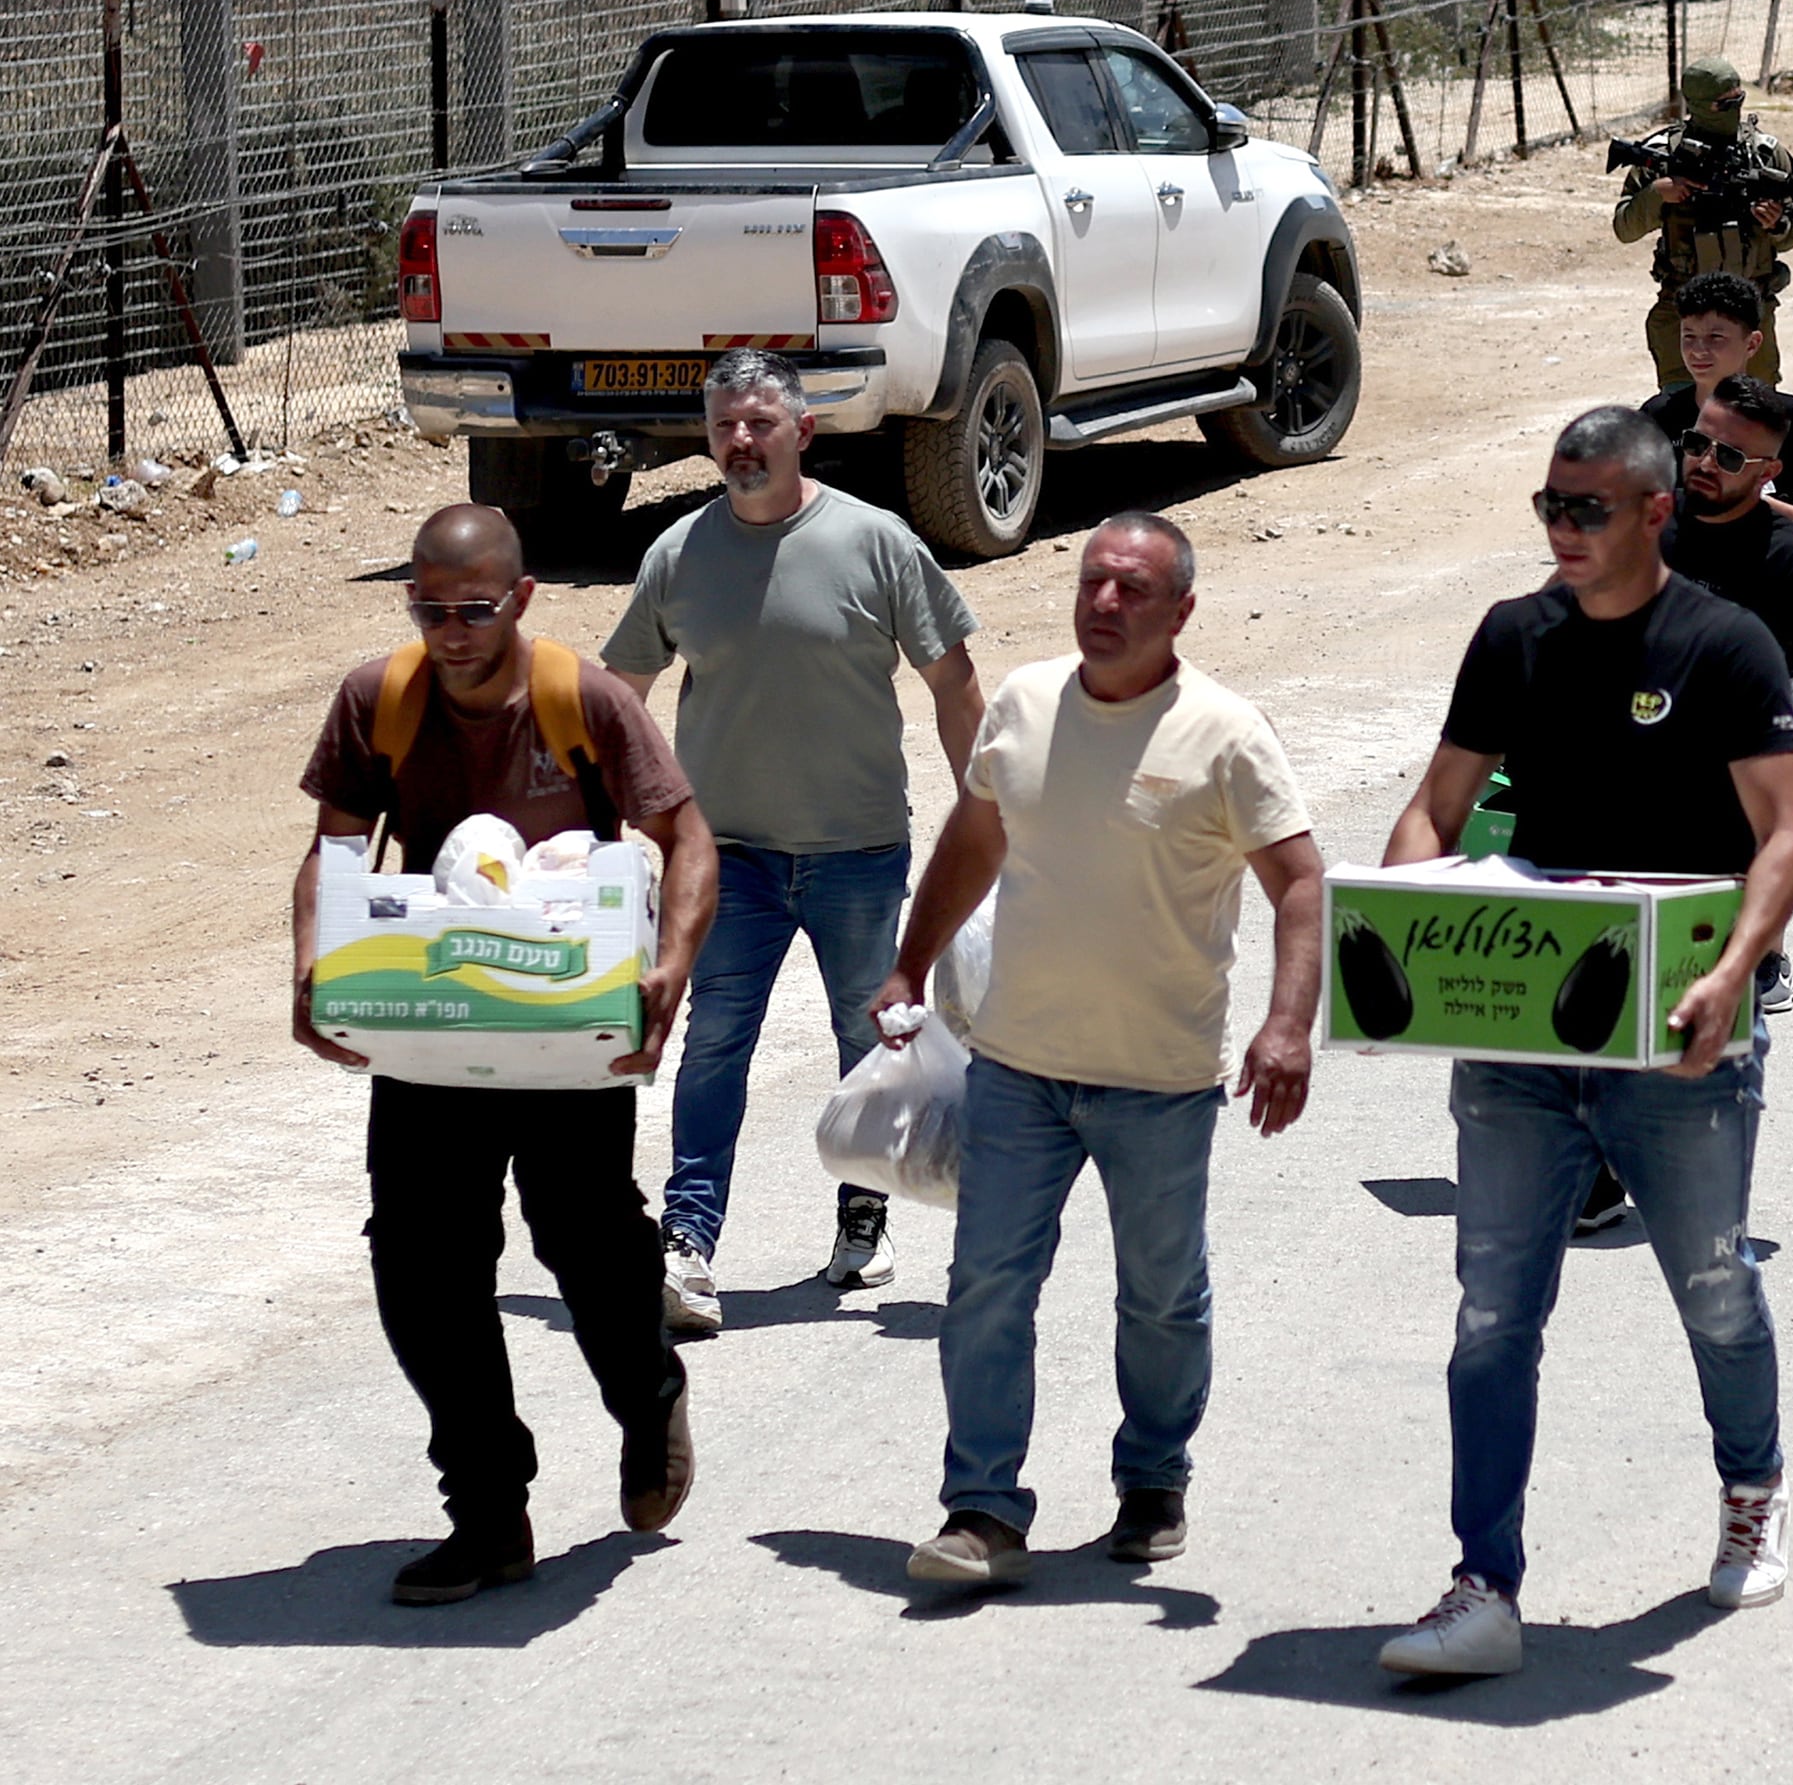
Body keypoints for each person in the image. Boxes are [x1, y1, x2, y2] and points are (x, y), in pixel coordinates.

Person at [1374, 410, 1793, 1679]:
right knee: (1489, 1316)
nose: (1562, 531)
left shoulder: (1725, 646)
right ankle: (1482, 1581)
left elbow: (1781, 833)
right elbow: (1435, 805)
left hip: (1682, 1036)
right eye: (1548, 507)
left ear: (1653, 511)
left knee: (1714, 1288)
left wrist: (1731, 972)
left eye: (1587, 509)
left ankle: (1751, 1482)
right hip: (1519, 1040)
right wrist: (1411, 926)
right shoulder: (1513, 638)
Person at [884, 512, 1324, 1590]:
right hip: (1018, 1067)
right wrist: (908, 965)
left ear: (1180, 610)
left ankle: (1152, 1477)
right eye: (1093, 581)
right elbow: (974, 841)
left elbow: (1301, 882)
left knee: (1161, 1296)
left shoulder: (1223, 732)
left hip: (1159, 1079)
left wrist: (1285, 1024)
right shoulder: (1026, 707)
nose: (1104, 602)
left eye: (1132, 588)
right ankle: (982, 1507)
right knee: (986, 1282)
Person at [290, 504, 716, 1606]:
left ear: (520, 598)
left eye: (472, 609)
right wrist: (315, 967)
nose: (449, 630)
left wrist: (667, 964)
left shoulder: (585, 699)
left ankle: (645, 1391)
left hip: (564, 1025)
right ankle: (487, 1510)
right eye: (427, 609)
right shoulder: (376, 699)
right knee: (419, 1262)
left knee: (583, 1236)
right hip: (435, 1023)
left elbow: (686, 838)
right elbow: (335, 848)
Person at [602, 346, 984, 1328]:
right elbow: (620, 701)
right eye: (725, 423)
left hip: (859, 852)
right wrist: (616, 825)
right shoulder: (678, 557)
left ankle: (864, 1216)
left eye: (760, 421)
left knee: (873, 1044)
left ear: (801, 430)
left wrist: (986, 808)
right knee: (715, 1042)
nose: (741, 439)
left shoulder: (877, 542)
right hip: (731, 860)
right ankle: (686, 1244)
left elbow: (952, 681)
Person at [1667, 375, 1793, 873]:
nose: (1706, 463)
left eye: (1731, 456)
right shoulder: (1638, 528)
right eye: (1697, 444)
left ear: (1769, 472)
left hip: (1740, 780)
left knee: (1740, 938)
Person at [1614, 61, 1793, 388]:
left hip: (1749, 312)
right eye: (1725, 104)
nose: (1734, 110)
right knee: (1681, 411)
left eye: (1739, 100)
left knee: (1755, 415)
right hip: (1683, 311)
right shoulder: (1664, 154)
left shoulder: (1764, 155)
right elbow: (1624, 227)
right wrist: (1657, 194)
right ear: (1697, 105)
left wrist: (1777, 225)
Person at [1642, 272, 1793, 549]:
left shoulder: (1785, 416)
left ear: (1752, 344)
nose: (1698, 351)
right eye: (1689, 336)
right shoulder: (1658, 417)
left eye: (1716, 337)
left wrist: (1750, 504)